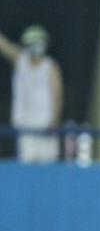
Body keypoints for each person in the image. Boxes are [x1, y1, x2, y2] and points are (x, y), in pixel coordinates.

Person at [0, 25, 63, 163]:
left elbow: (57, 95)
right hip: (25, 124)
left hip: (45, 125)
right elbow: (4, 46)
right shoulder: (20, 60)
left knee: (48, 165)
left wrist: (54, 120)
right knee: (28, 163)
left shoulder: (50, 67)